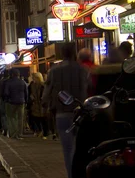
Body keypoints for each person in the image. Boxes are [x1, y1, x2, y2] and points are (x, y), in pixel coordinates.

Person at [42, 43, 90, 178]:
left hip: (62, 113)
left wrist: (45, 105)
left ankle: (71, 174)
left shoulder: (54, 70)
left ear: (62, 53)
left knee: (67, 148)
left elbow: (46, 92)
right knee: (81, 148)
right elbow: (90, 87)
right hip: (81, 113)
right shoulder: (83, 69)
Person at [3, 69, 27, 140]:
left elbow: (6, 93)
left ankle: (13, 133)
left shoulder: (8, 82)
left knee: (11, 118)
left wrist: (6, 99)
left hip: (11, 102)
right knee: (20, 118)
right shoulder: (23, 82)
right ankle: (19, 134)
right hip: (21, 102)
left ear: (12, 74)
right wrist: (25, 101)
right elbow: (26, 93)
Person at [28, 72, 48, 139]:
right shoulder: (32, 85)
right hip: (35, 104)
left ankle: (45, 133)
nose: (33, 79)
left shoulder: (43, 85)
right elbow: (29, 93)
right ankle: (39, 130)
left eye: (34, 78)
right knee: (36, 118)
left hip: (42, 104)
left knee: (43, 119)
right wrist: (31, 97)